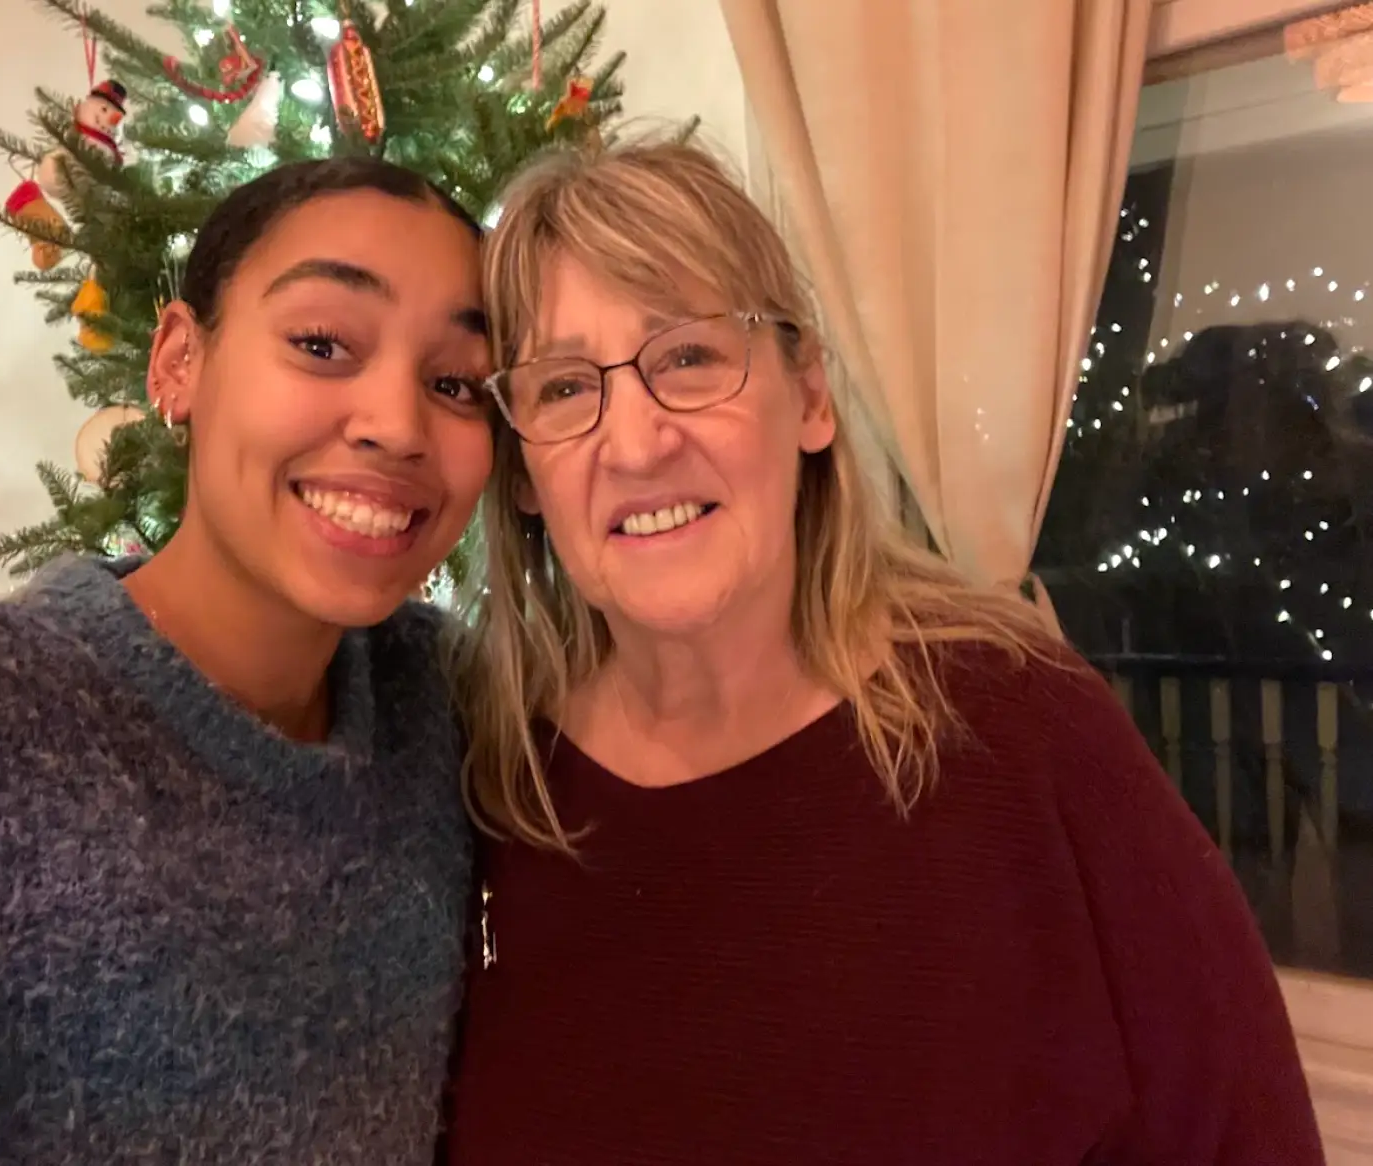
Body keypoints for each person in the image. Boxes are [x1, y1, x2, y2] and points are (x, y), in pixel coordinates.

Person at [444, 140, 1324, 1165]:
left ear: (809, 394)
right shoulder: (491, 785)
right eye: (562, 388)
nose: (635, 444)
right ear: (520, 473)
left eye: (687, 357)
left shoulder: (1026, 741)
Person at [0, 158, 493, 1163]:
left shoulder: (449, 708)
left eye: (455, 382)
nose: (396, 423)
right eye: (321, 341)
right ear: (177, 361)